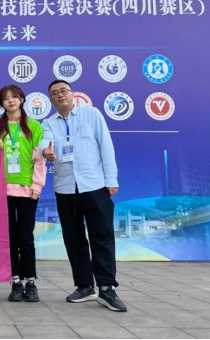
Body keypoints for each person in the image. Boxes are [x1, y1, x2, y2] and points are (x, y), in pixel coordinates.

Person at [40, 80, 127, 312]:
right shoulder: (48, 123)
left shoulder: (92, 114)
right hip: (66, 189)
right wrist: (45, 151)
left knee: (102, 236)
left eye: (64, 91)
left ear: (72, 94)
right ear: (51, 100)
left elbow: (106, 146)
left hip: (95, 185)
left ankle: (107, 288)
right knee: (74, 239)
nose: (60, 95)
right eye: (55, 93)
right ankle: (84, 286)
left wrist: (111, 179)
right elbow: (44, 143)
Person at [0, 85, 46, 303]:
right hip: (2, 191)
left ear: (22, 99)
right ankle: (15, 282)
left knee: (26, 238)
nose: (10, 101)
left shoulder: (33, 126)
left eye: (14, 97)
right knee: (9, 238)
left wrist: (37, 186)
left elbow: (39, 159)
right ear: (1, 103)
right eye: (5, 98)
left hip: (27, 190)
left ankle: (30, 282)